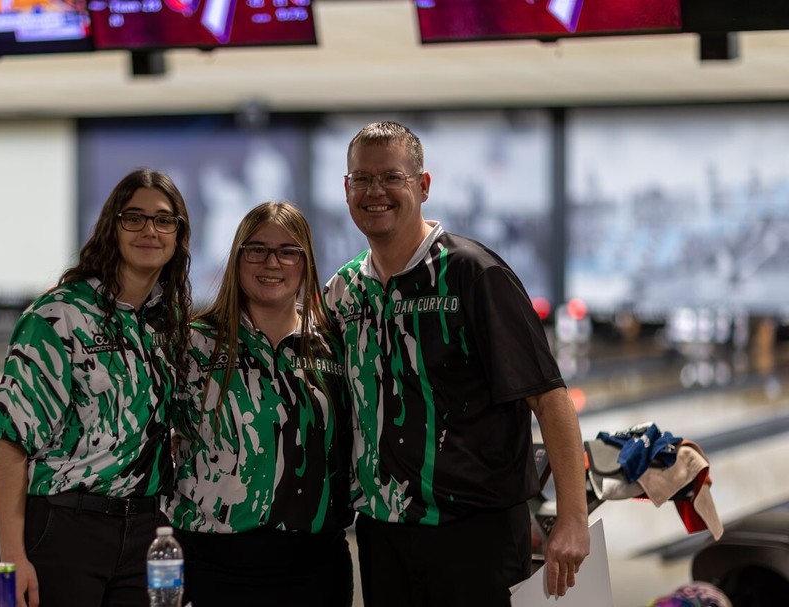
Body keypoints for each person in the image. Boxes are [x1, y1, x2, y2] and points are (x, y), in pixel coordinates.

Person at [322, 121, 590, 606]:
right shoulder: (343, 291)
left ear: (422, 186)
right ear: (346, 189)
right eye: (361, 179)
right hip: (382, 536)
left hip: (473, 536)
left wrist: (572, 518)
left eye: (391, 178)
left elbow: (550, 399)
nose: (374, 191)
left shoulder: (473, 273)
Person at [0, 168, 192, 607]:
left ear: (178, 234)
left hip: (149, 533)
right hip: (66, 526)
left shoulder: (169, 323)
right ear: (111, 227)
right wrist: (12, 555)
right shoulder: (59, 316)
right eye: (133, 218)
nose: (149, 230)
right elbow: (11, 441)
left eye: (163, 219)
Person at [168, 201, 353, 607]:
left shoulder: (333, 346)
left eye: (288, 251)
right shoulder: (192, 344)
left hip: (315, 567)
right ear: (237, 258)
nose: (272, 262)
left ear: (305, 263)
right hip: (210, 566)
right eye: (257, 249)